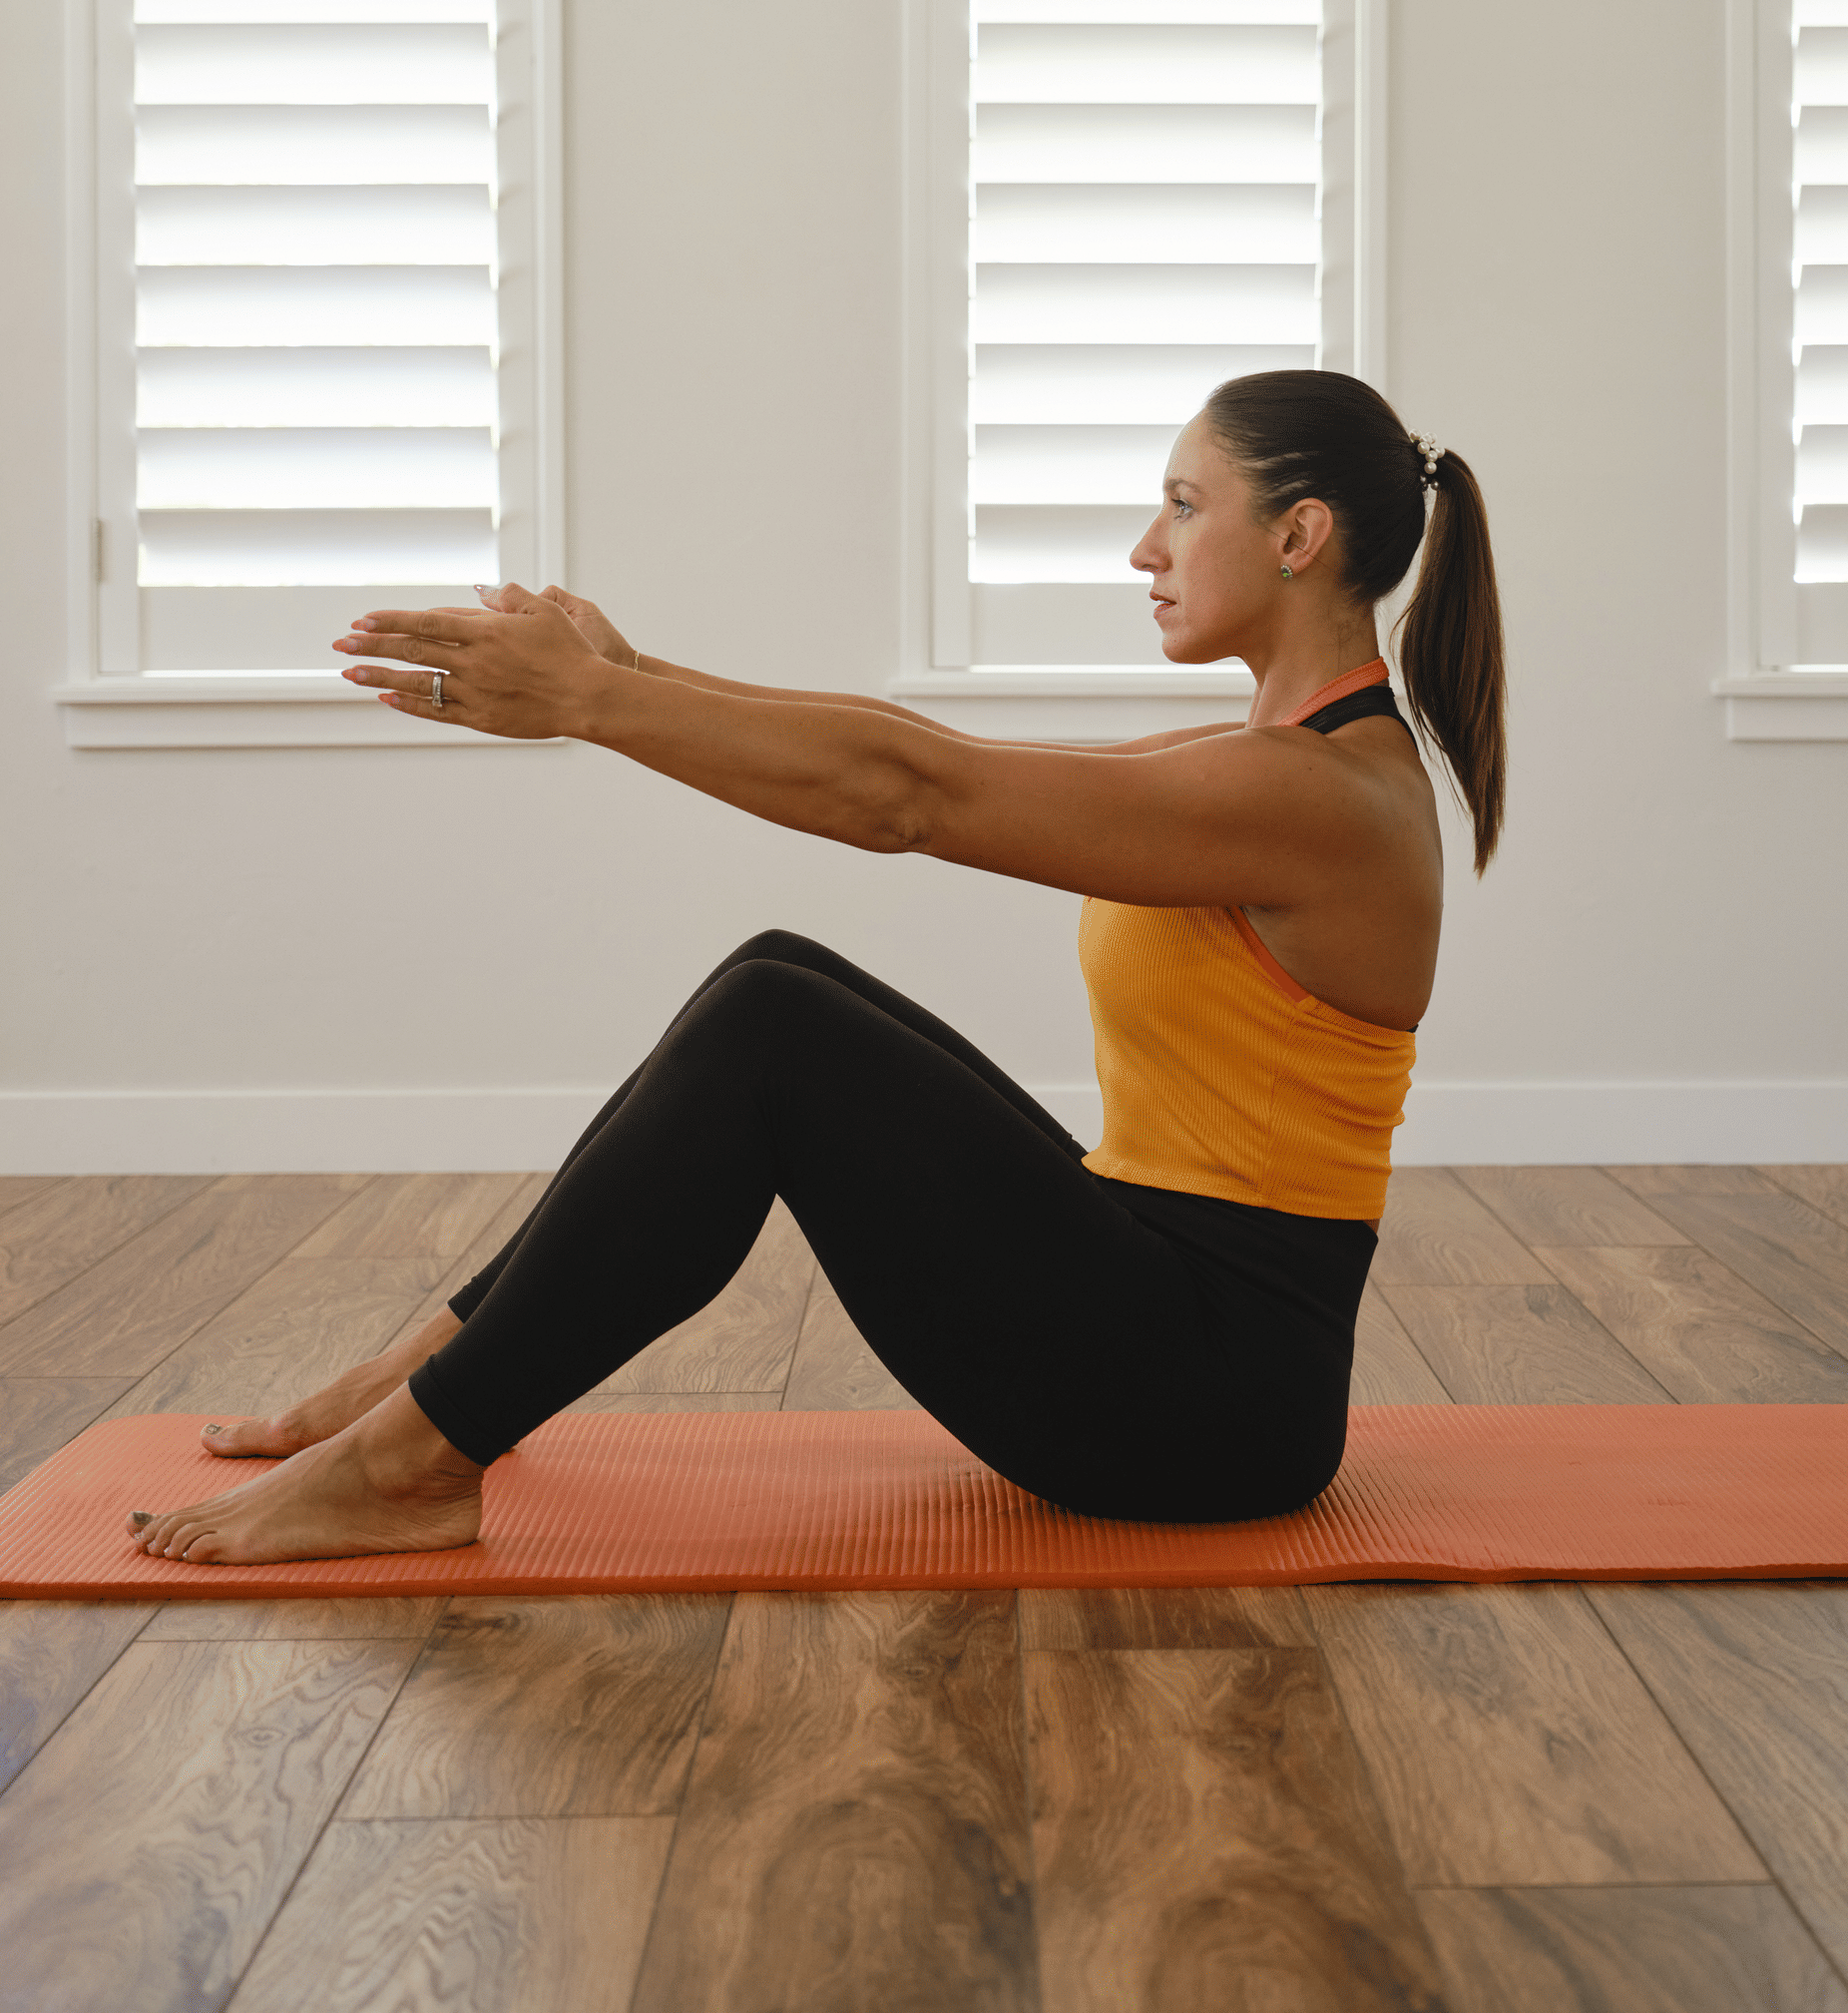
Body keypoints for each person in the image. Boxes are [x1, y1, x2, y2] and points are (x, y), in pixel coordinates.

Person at [125, 370, 1506, 1562]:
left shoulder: (1316, 802)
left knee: (777, 1035)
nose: (1147, 546)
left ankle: (412, 1464)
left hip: (1208, 1403)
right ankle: (421, 1379)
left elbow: (910, 796)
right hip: (1177, 1329)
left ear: (1301, 535)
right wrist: (633, 673)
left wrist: (600, 707)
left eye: (1186, 505)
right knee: (778, 977)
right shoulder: (1275, 763)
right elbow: (921, 756)